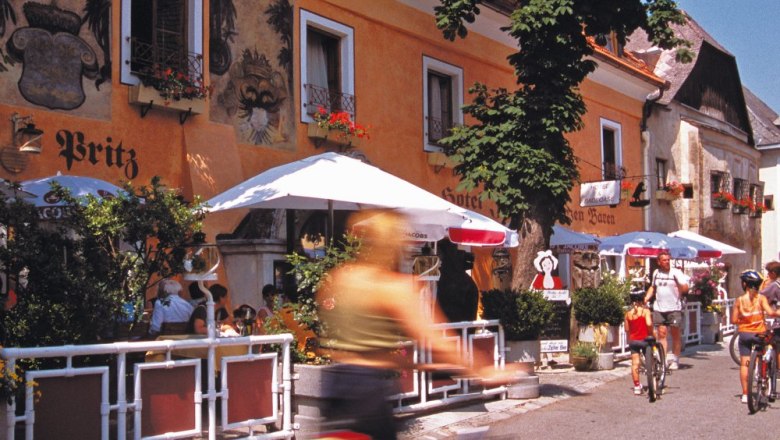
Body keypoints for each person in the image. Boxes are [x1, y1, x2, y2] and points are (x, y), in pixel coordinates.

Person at [316, 210, 518, 439]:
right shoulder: (394, 288)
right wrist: (482, 370)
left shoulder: (341, 279)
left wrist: (408, 363)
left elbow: (354, 346)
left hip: (336, 385)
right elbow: (437, 341)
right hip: (369, 393)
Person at [732, 269, 780, 404]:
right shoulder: (761, 298)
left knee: (744, 364)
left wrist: (745, 320)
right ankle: (763, 369)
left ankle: (745, 394)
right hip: (759, 333)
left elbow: (734, 320)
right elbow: (771, 312)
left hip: (744, 335)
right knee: (768, 346)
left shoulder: (739, 300)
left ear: (745, 284)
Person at [644, 251, 688, 370]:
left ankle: (675, 359)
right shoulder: (656, 273)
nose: (667, 262)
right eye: (664, 260)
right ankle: (663, 360)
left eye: (668, 260)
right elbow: (653, 287)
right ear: (659, 262)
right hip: (659, 308)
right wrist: (646, 298)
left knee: (675, 335)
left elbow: (685, 287)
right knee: (661, 333)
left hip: (674, 308)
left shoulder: (676, 273)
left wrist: (683, 286)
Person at [625, 289, 653, 395]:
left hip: (633, 341)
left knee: (635, 364)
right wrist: (651, 333)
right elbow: (649, 324)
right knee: (650, 358)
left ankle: (637, 386)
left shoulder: (628, 314)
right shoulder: (645, 311)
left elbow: (627, 329)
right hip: (644, 339)